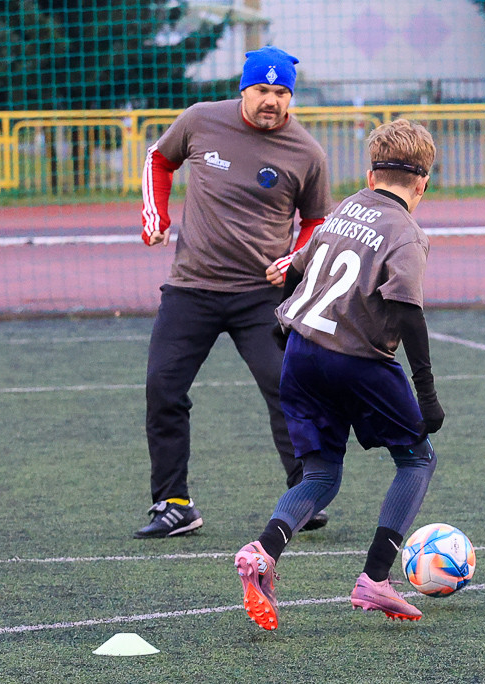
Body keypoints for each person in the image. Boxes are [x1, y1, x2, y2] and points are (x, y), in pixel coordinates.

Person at [233, 119, 445, 630]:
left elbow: (296, 268)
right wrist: (427, 393)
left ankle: (263, 553)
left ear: (370, 174)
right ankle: (374, 578)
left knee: (322, 475)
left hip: (301, 352)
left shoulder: (346, 209)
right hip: (357, 359)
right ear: (424, 183)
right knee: (417, 458)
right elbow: (408, 313)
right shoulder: (407, 234)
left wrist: (287, 317)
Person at [133, 46, 335, 539]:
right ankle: (173, 504)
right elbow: (158, 160)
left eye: (281, 92)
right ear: (243, 89)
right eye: (262, 90)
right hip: (190, 289)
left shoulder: (307, 152)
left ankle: (303, 495)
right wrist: (155, 215)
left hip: (260, 297)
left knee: (287, 390)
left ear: (291, 96)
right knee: (163, 388)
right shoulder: (201, 120)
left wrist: (294, 260)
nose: (271, 100)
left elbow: (316, 223)